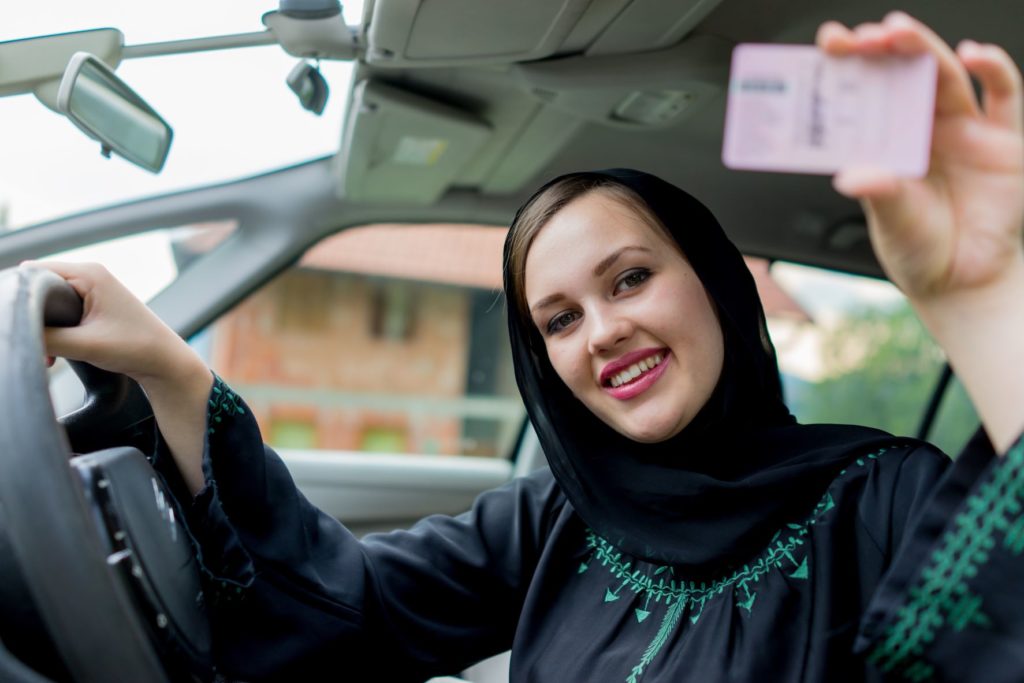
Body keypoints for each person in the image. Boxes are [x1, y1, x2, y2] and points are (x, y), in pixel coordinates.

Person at [33, 11, 1024, 682]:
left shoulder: (886, 495)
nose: (604, 331)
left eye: (631, 277)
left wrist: (985, 303)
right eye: (556, 318)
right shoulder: (559, 514)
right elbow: (344, 608)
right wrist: (173, 367)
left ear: (720, 284)